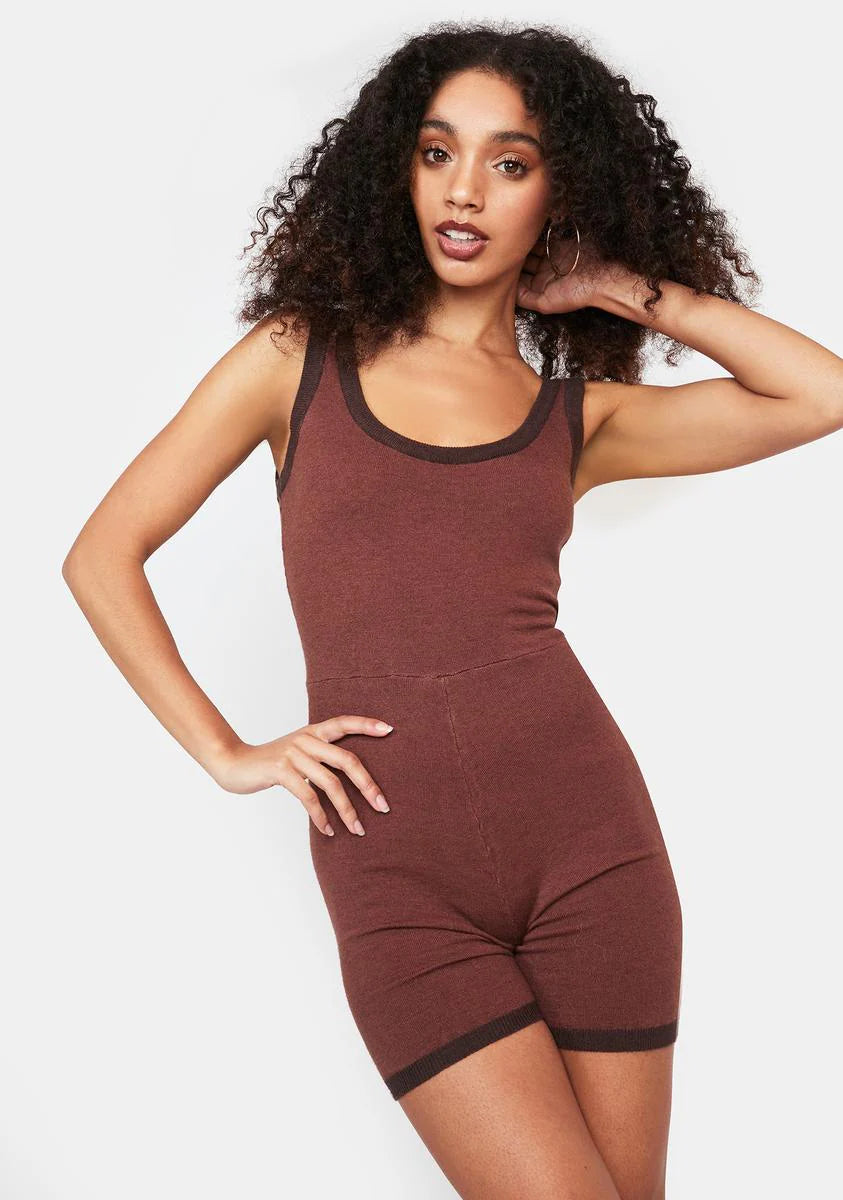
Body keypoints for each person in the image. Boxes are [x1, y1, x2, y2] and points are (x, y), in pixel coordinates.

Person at [62, 21, 843, 1200]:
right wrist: (225, 752)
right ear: (399, 168)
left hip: (594, 852)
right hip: (396, 879)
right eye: (438, 152)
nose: (465, 189)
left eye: (510, 162)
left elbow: (821, 395)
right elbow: (102, 555)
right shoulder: (297, 360)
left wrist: (622, 286)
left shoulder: (577, 417)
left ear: (558, 194)